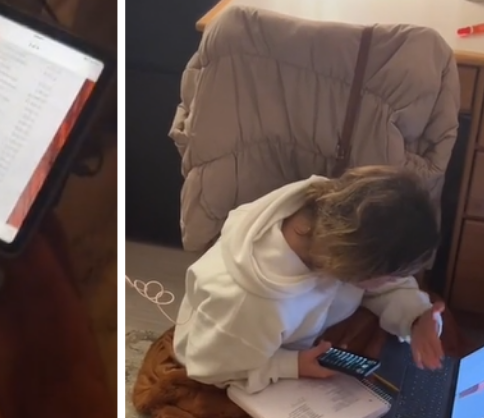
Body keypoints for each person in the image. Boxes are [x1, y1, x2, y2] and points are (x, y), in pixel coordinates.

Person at [173, 166, 445, 394]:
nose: (396, 281)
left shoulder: (336, 214)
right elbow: (208, 367)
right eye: (390, 276)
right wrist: (290, 365)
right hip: (231, 352)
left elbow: (387, 284)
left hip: (304, 329)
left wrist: (417, 318)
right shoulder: (249, 304)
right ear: (356, 265)